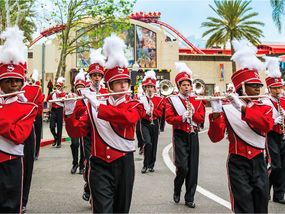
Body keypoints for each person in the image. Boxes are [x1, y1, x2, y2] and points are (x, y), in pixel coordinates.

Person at [64, 34, 145, 213]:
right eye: (118, 83)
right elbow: (76, 132)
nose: (124, 86)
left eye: (126, 82)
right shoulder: (94, 106)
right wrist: (69, 113)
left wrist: (97, 106)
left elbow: (127, 119)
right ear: (109, 86)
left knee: (121, 210)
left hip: (124, 164)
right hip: (99, 166)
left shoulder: (135, 104)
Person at [208, 40, 274, 213]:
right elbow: (215, 137)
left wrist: (243, 108)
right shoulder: (228, 108)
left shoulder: (265, 106)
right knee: (244, 207)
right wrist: (216, 112)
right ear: (242, 88)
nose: (258, 90)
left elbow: (266, 125)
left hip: (259, 161)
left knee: (261, 206)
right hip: (238, 162)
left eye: (259, 86)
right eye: (254, 86)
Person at [0, 26, 37, 213]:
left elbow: (17, 135)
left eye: (17, 80)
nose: (14, 84)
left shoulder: (28, 107)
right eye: (9, 81)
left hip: (11, 165)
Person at [165, 62, 205, 208]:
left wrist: (194, 115)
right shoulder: (172, 100)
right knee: (182, 167)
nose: (187, 87)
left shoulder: (197, 101)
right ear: (179, 86)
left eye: (189, 84)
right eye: (184, 85)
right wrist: (182, 117)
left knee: (193, 168)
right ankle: (177, 188)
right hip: (180, 134)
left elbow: (201, 119)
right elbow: (168, 119)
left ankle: (189, 198)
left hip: (193, 135)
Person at [261, 56, 285, 204]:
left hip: (283, 135)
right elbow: (261, 120)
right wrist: (273, 121)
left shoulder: (283, 101)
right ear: (269, 88)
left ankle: (279, 194)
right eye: (275, 88)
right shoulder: (264, 101)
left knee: (283, 167)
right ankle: (265, 189)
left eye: (279, 87)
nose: (278, 90)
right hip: (270, 135)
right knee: (274, 165)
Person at [21, 69, 44, 212]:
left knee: (27, 167)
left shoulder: (34, 89)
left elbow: (39, 109)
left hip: (27, 128)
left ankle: (22, 201)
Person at [138, 70, 164, 173]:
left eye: (151, 87)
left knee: (154, 144)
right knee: (148, 143)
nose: (149, 89)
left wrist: (153, 111)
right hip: (144, 123)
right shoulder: (141, 99)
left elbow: (160, 112)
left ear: (154, 88)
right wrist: (146, 113)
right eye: (147, 87)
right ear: (144, 88)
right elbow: (139, 112)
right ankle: (145, 164)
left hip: (155, 123)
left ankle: (151, 165)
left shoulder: (159, 99)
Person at [69, 69, 86, 175]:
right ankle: (75, 163)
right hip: (74, 124)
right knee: (75, 144)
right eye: (78, 87)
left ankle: (81, 165)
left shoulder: (86, 97)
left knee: (84, 145)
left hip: (84, 124)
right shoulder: (71, 96)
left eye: (81, 87)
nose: (79, 89)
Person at [46, 77, 66, 148]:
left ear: (61, 87)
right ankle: (56, 138)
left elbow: (63, 101)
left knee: (59, 127)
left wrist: (58, 94)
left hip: (60, 110)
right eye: (57, 86)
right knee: (51, 126)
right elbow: (47, 99)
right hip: (54, 110)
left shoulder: (63, 93)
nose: (57, 88)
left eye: (59, 86)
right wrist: (51, 93)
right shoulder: (53, 94)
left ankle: (59, 143)